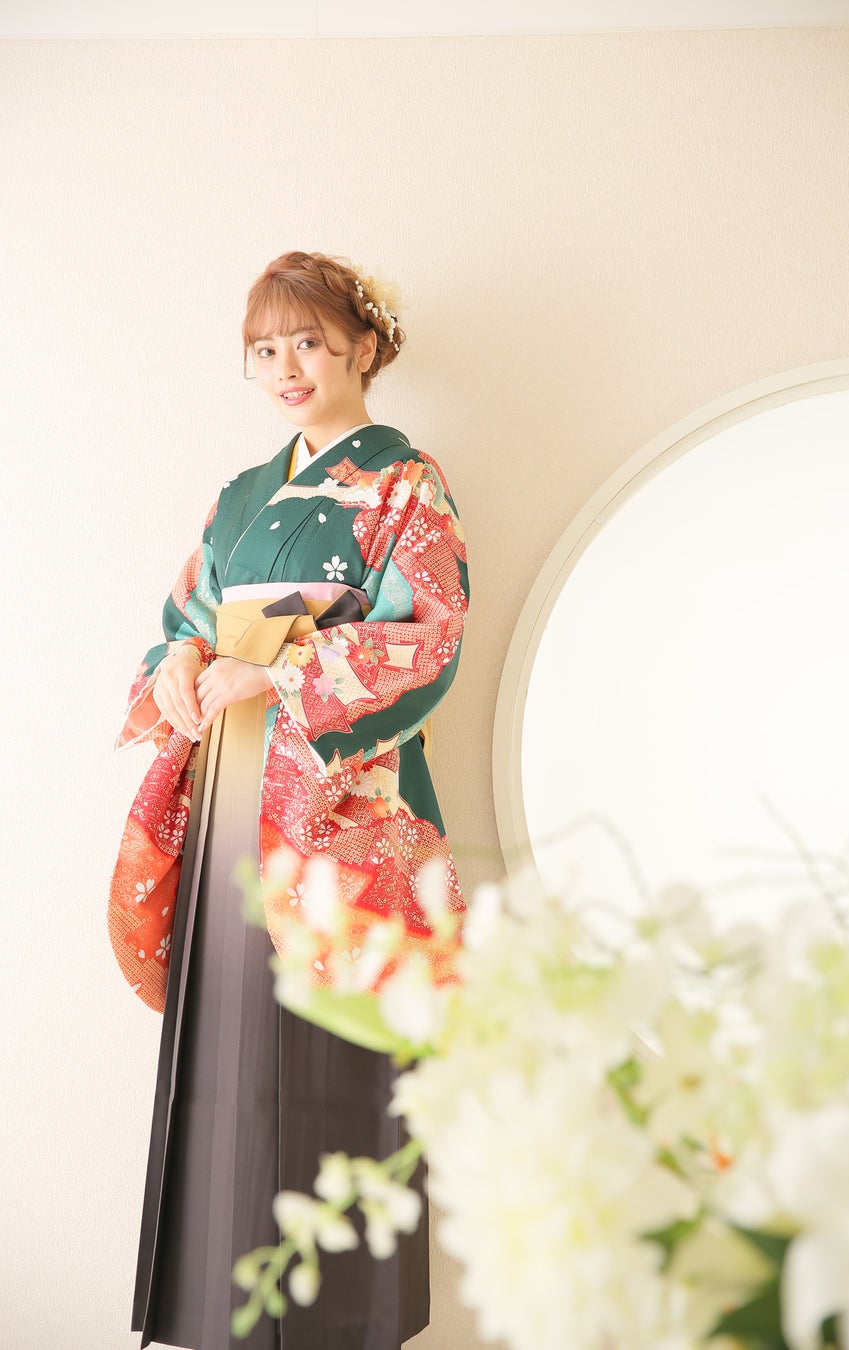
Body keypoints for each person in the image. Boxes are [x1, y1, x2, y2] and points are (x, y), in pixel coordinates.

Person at [107, 251, 469, 1349]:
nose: (286, 368)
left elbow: (430, 637)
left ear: (364, 345)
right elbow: (182, 626)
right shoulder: (241, 497)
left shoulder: (406, 483)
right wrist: (183, 663)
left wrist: (277, 671)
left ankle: (342, 1322)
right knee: (227, 1047)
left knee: (331, 1051)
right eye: (265, 350)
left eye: (308, 341)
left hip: (335, 806)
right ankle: (219, 1312)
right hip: (232, 788)